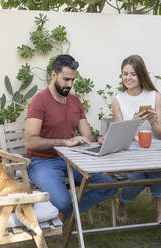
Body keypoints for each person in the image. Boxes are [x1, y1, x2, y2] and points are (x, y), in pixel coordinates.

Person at [24, 54, 117, 220]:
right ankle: (67, 210)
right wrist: (64, 142)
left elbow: (87, 135)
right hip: (42, 162)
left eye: (72, 80)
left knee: (110, 186)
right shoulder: (39, 101)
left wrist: (100, 139)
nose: (69, 84)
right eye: (66, 79)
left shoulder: (75, 101)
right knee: (62, 201)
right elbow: (30, 141)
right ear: (54, 75)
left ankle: (67, 213)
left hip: (71, 160)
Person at [111, 54, 161, 225]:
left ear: (141, 75)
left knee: (157, 169)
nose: (128, 78)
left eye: (133, 74)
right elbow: (120, 138)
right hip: (130, 152)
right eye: (125, 74)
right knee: (139, 176)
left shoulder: (155, 96)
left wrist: (152, 121)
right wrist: (135, 123)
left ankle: (160, 210)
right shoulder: (118, 100)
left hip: (153, 151)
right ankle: (122, 202)